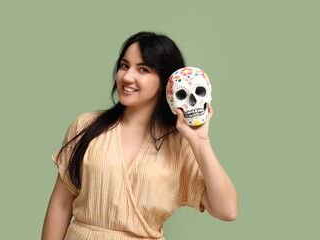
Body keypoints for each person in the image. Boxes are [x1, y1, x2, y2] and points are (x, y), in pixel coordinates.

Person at [41, 31, 238, 240]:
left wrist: (200, 142)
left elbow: (227, 210)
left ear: (166, 81)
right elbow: (61, 204)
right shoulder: (85, 126)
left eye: (143, 69)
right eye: (125, 65)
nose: (127, 77)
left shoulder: (179, 144)